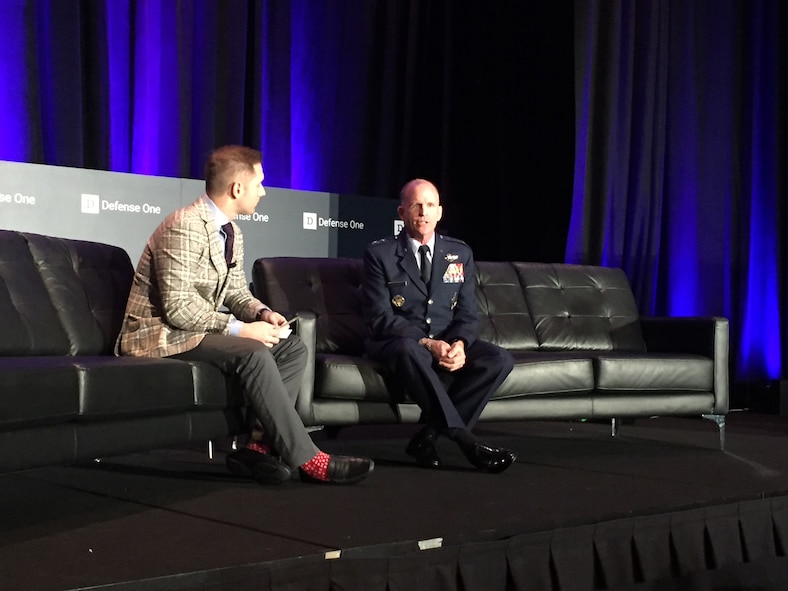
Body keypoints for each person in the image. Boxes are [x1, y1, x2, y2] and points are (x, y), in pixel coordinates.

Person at [116, 145, 373, 485]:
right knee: (252, 352)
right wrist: (239, 329)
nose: (263, 192)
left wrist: (263, 312)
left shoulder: (232, 231)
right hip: (159, 334)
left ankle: (259, 446)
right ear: (237, 189)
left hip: (194, 330)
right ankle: (309, 458)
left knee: (293, 348)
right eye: (259, 184)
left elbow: (236, 291)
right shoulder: (184, 226)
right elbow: (177, 309)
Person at [362, 179, 516, 473]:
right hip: (402, 341)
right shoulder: (379, 254)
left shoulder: (460, 253)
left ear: (440, 212)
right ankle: (466, 441)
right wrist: (428, 343)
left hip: (446, 339)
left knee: (499, 359)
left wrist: (460, 344)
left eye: (430, 205)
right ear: (401, 212)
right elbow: (379, 317)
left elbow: (469, 314)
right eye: (416, 205)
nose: (423, 212)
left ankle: (428, 436)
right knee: (410, 350)